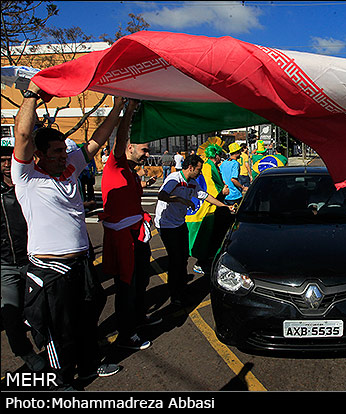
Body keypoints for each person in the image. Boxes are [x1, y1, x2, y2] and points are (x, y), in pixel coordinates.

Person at [12, 83, 123, 388]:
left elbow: (97, 140)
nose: (65, 156)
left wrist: (119, 106)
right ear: (39, 154)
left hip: (81, 266)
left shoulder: (71, 170)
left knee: (87, 322)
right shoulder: (26, 177)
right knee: (54, 330)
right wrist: (31, 95)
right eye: (57, 152)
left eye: (65, 151)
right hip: (50, 271)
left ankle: (88, 367)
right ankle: (58, 383)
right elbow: (22, 135)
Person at [100, 99, 160, 352]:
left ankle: (137, 318)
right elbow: (120, 136)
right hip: (123, 239)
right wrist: (129, 110)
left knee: (140, 282)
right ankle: (126, 335)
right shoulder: (116, 164)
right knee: (126, 287)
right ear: (130, 148)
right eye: (144, 150)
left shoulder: (132, 172)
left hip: (138, 237)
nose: (147, 155)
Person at [155, 154, 233, 306]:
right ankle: (175, 294)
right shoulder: (174, 178)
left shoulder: (192, 182)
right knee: (175, 259)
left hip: (179, 223)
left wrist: (224, 206)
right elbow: (162, 195)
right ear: (190, 167)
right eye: (198, 169)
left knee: (183, 257)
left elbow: (204, 196)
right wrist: (180, 200)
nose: (200, 172)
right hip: (166, 224)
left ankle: (182, 288)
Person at [1, 139, 46, 373]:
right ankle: (26, 353)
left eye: (10, 159)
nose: (7, 164)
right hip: (5, 265)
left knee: (39, 309)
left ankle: (49, 345)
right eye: (2, 161)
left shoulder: (28, 185)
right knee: (11, 314)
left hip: (33, 259)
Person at [187, 144, 229, 275]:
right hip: (207, 207)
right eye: (219, 154)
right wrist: (222, 192)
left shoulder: (212, 166)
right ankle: (201, 262)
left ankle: (205, 260)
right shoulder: (208, 166)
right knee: (207, 236)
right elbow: (208, 187)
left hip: (213, 206)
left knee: (212, 235)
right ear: (215, 155)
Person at [220, 142, 248, 206]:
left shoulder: (224, 163)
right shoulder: (235, 163)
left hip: (226, 194)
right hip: (234, 195)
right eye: (239, 152)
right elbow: (233, 179)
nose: (241, 154)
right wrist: (242, 187)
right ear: (236, 153)